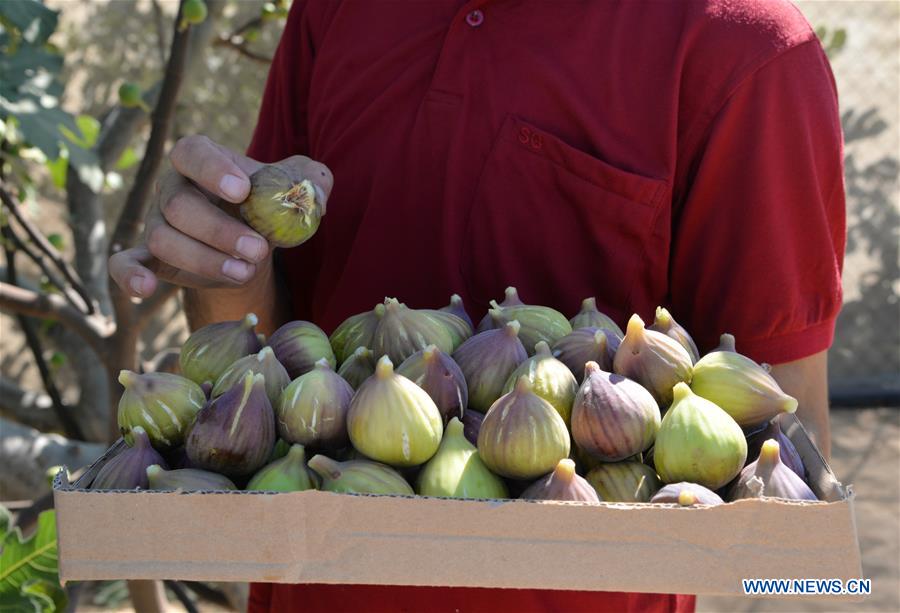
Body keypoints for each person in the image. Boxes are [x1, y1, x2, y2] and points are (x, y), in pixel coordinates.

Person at [109, 0, 845, 611]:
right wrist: (222, 258)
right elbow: (264, 361)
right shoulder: (334, 10)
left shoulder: (746, 50)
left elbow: (785, 474)